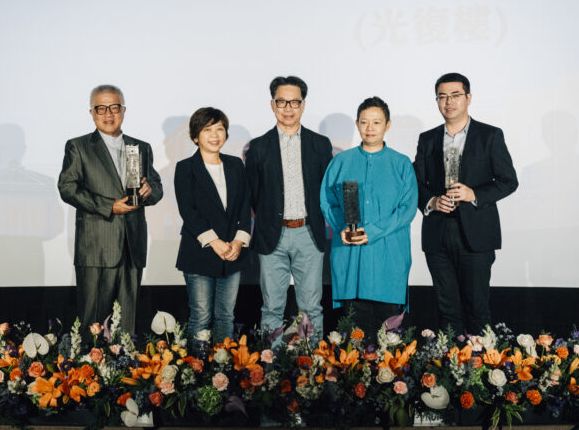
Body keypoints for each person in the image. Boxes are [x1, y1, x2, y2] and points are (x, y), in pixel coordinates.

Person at [413, 73, 518, 336]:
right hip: (438, 232)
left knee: (477, 308)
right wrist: (431, 201)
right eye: (442, 96)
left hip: (476, 233)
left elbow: (508, 181)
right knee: (446, 309)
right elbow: (416, 183)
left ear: (468, 98)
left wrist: (474, 194)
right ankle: (450, 359)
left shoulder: (490, 135)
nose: (448, 102)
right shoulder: (427, 139)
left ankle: (479, 359)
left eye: (455, 95)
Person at [57, 84, 162, 334]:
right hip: (96, 247)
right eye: (101, 108)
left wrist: (149, 191)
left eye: (114, 107)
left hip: (132, 246)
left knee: (127, 324)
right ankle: (89, 360)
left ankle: (124, 359)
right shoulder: (78, 146)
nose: (108, 114)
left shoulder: (141, 147)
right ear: (92, 113)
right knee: (92, 323)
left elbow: (156, 187)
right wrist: (109, 206)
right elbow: (67, 188)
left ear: (123, 110)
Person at [320, 97, 418, 340]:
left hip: (389, 257)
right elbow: (328, 201)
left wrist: (372, 231)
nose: (370, 128)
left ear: (388, 125)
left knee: (390, 338)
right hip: (351, 255)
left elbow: (407, 209)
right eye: (364, 122)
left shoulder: (401, 163)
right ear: (357, 124)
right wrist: (341, 226)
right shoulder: (341, 162)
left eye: (376, 122)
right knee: (355, 335)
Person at [245, 75, 333, 341]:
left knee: (311, 308)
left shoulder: (320, 144)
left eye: (294, 102)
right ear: (273, 105)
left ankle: (314, 362)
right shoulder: (258, 147)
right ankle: (272, 364)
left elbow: (326, 189)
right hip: (272, 234)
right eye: (282, 102)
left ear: (303, 105)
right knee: (272, 308)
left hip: (308, 232)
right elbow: (253, 195)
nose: (288, 108)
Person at [174, 107, 252, 343]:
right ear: (195, 136)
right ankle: (197, 365)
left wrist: (238, 241)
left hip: (232, 252)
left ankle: (223, 363)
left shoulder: (236, 165)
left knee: (226, 317)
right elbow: (188, 211)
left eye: (219, 129)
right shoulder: (185, 168)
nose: (215, 135)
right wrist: (214, 242)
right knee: (201, 316)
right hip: (200, 252)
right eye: (207, 130)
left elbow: (244, 206)